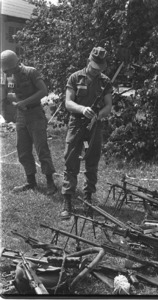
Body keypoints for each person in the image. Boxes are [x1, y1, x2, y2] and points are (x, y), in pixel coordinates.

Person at [60, 46, 113, 219]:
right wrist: (82, 109)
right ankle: (68, 201)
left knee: (92, 161)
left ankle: (88, 199)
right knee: (71, 160)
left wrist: (98, 115)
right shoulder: (75, 77)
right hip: (77, 123)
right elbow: (68, 103)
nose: (97, 71)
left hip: (95, 125)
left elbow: (108, 106)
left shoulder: (105, 81)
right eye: (94, 66)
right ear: (89, 60)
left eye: (100, 68)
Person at [0, 50, 57, 195]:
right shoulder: (10, 77)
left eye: (8, 70)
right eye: (4, 71)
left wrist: (25, 101)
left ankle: (50, 182)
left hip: (35, 114)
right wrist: (13, 100)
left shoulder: (31, 72)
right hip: (21, 115)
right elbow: (9, 94)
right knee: (23, 149)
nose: (6, 73)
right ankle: (31, 181)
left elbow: (43, 91)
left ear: (16, 64)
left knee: (41, 148)